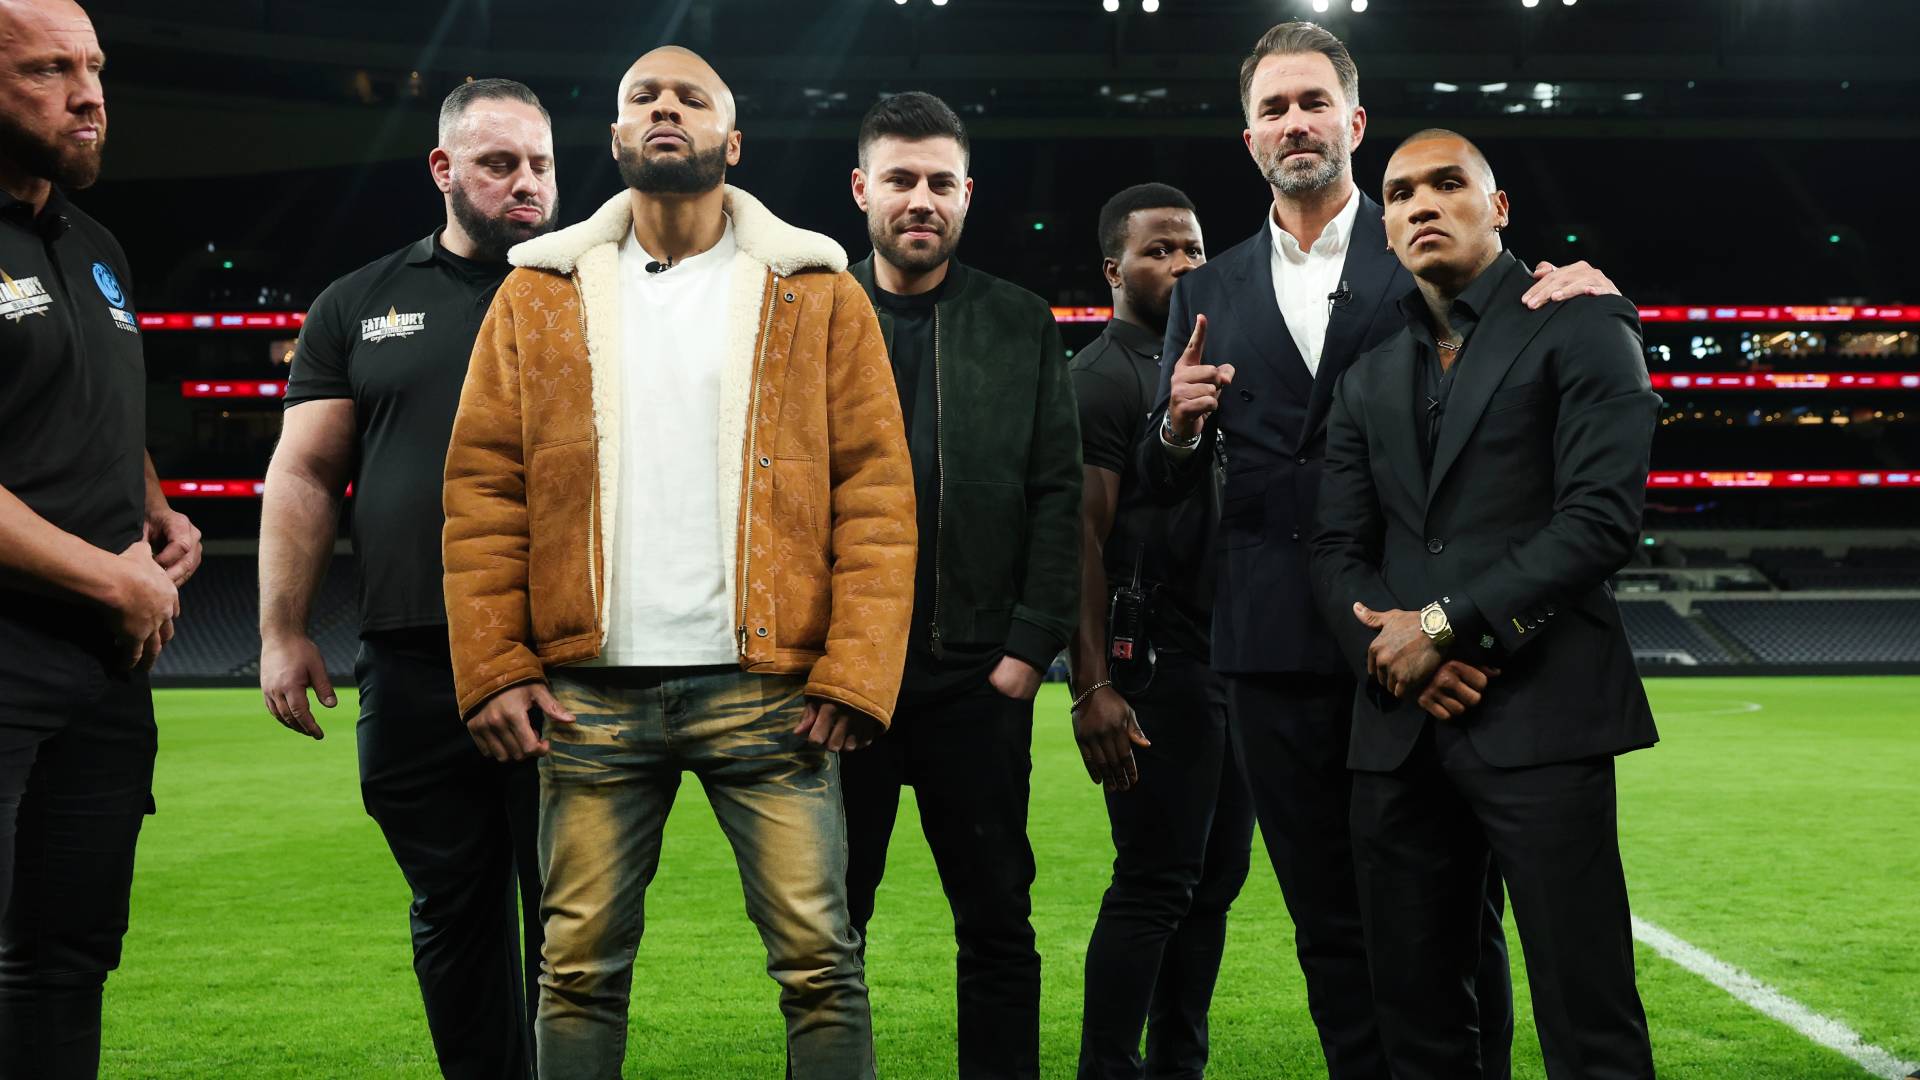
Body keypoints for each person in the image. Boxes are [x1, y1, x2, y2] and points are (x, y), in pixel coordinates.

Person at [1141, 21, 1622, 1079]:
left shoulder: (1419, 240)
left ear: (1354, 123)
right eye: (1273, 108)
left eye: (1313, 102)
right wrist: (1174, 426)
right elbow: (1161, 481)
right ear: (1248, 137)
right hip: (1275, 638)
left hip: (1429, 638)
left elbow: (1513, 326)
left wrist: (1574, 280)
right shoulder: (1204, 290)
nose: (1295, 122)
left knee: (1454, 921)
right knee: (1330, 926)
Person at [440, 46, 915, 1080]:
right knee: (573, 976)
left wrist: (857, 669)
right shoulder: (537, 296)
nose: (666, 107)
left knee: (822, 970)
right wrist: (494, 664)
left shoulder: (818, 291)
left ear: (730, 142)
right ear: (615, 139)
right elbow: (482, 493)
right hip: (585, 694)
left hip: (769, 688)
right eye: (642, 97)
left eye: (691, 98)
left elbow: (877, 494)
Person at [1310, 128, 1659, 1079]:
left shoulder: (1585, 322)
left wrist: (1439, 628)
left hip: (1544, 715)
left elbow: (1599, 522)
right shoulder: (1366, 379)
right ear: (1383, 227)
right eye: (1401, 193)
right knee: (1416, 1027)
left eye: (1448, 184)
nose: (1422, 204)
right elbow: (1337, 551)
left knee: (1587, 1018)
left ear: (1497, 207)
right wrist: (1395, 655)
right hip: (1400, 731)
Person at [259, 78, 558, 1080]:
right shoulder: (360, 301)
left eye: (541, 165)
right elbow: (303, 472)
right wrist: (281, 630)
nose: (526, 183)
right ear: (443, 168)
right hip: (410, 658)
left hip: (564, 661)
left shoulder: (591, 290)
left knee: (574, 919)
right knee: (450, 909)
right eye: (498, 162)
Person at [839, 91, 1082, 1080]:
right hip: (840, 694)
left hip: (977, 684)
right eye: (901, 179)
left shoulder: (1019, 322)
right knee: (825, 941)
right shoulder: (807, 314)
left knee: (996, 928)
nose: (921, 199)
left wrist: (1028, 650)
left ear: (968, 195)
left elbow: (1058, 496)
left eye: (941, 181)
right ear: (862, 189)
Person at [0, 1, 204, 1075]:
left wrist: (155, 509)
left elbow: (92, 412)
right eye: (48, 70)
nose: (90, 94)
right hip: (16, 650)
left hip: (101, 669)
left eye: (95, 67)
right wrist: (111, 579)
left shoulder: (97, 245)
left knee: (68, 957)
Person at [1067, 182, 1255, 1080]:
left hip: (1235, 659)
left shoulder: (1220, 359)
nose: (1182, 265)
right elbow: (1082, 542)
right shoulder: (1100, 377)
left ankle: (1180, 1065)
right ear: (1115, 268)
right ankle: (1108, 1068)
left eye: (1192, 249)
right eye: (1159, 250)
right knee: (1156, 881)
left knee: (1214, 887)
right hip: (1157, 665)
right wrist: (1092, 683)